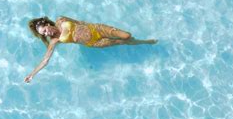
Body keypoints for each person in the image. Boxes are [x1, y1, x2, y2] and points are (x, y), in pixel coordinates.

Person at [24, 16, 158, 83]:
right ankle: (144, 42)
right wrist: (32, 74)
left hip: (97, 29)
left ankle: (138, 40)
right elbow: (45, 60)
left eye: (45, 30)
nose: (46, 34)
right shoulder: (54, 41)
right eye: (44, 34)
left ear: (47, 24)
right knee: (123, 42)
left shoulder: (60, 19)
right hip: (96, 42)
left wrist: (92, 26)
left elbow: (79, 22)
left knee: (126, 35)